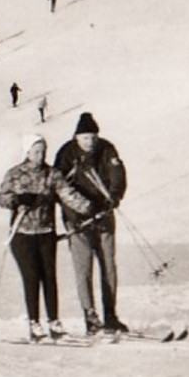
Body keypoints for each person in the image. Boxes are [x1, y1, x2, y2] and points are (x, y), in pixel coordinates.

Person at [0, 133, 93, 341]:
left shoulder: (52, 174)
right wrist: (17, 199)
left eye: (43, 151)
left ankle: (54, 323)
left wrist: (88, 208)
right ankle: (34, 324)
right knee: (32, 277)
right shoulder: (14, 174)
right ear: (27, 152)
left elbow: (67, 195)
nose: (40, 155)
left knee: (49, 278)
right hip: (22, 235)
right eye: (36, 151)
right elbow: (2, 198)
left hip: (46, 233)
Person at [53, 112, 129, 336]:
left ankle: (111, 316)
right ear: (77, 138)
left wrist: (114, 196)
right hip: (77, 220)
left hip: (104, 217)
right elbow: (60, 187)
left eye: (93, 137)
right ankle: (90, 316)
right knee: (83, 269)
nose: (90, 142)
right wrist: (75, 214)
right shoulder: (67, 153)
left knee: (108, 267)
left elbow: (118, 174)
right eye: (85, 138)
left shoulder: (106, 149)